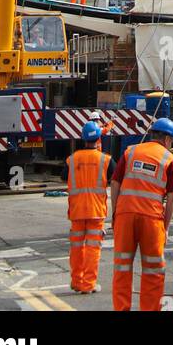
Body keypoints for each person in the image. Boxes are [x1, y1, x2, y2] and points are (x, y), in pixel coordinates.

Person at [110, 118, 173, 312]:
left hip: (125, 216)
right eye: (172, 141)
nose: (171, 145)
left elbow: (115, 184)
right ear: (166, 139)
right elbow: (172, 198)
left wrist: (116, 214)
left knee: (122, 267)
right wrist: (165, 228)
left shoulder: (130, 151)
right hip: (151, 219)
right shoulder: (169, 159)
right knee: (153, 270)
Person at [65, 121, 113, 295]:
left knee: (77, 248)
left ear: (83, 139)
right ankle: (88, 284)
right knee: (93, 248)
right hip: (96, 211)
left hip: (77, 211)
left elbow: (65, 177)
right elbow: (115, 180)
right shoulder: (105, 160)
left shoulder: (72, 159)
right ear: (98, 138)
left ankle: (77, 282)